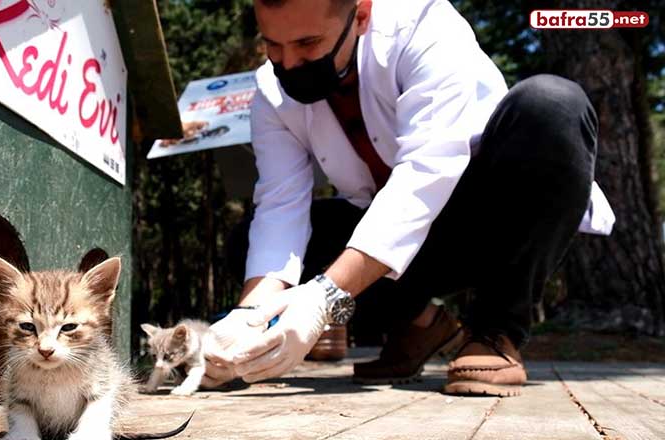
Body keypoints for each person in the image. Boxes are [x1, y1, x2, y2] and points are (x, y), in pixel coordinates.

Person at [201, 0, 615, 397]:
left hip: (488, 224)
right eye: (273, 45)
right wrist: (248, 320)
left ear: (361, 15)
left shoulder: (424, 27)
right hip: (397, 247)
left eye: (307, 43)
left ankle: (496, 329)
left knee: (553, 105)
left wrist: (324, 297)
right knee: (246, 244)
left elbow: (425, 174)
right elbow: (280, 209)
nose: (288, 64)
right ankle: (421, 323)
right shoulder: (271, 92)